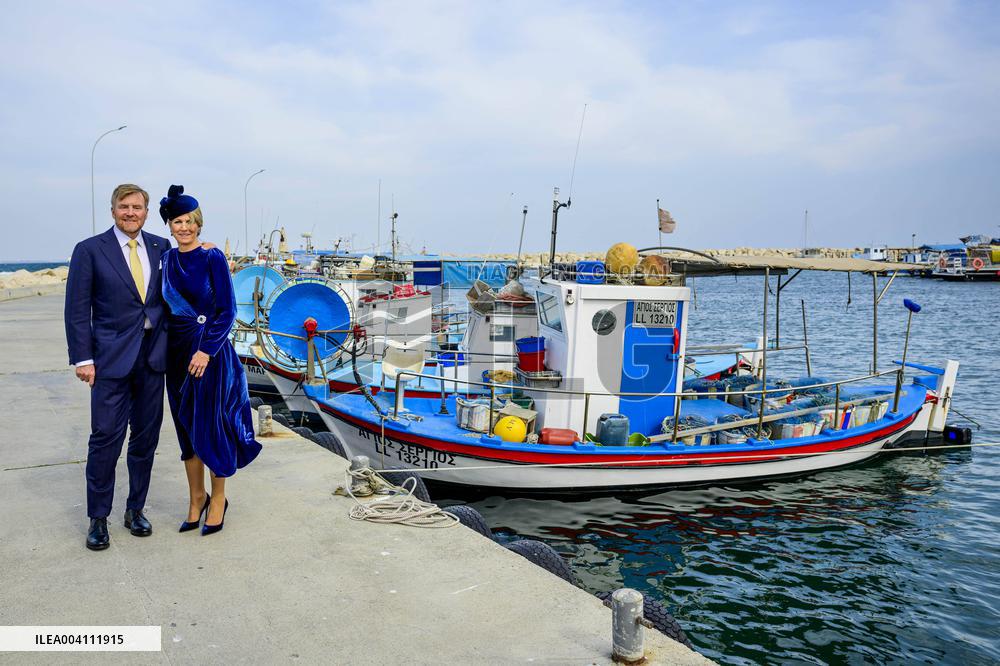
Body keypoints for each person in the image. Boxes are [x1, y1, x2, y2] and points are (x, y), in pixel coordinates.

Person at [65, 184, 169, 551]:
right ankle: (98, 518)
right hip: (109, 362)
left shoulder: (161, 247)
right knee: (105, 440)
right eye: (124, 207)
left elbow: (173, 295)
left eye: (137, 207)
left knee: (145, 440)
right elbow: (77, 310)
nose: (130, 213)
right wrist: (83, 358)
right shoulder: (90, 250)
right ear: (113, 211)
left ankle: (135, 509)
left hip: (153, 360)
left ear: (146, 212)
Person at [159, 185, 261, 535]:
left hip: (209, 354)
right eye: (176, 222)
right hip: (176, 354)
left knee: (211, 425)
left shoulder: (212, 257)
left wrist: (206, 350)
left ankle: (218, 499)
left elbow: (227, 310)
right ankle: (195, 498)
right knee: (185, 427)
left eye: (188, 221)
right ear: (169, 226)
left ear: (198, 224)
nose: (183, 227)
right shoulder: (167, 260)